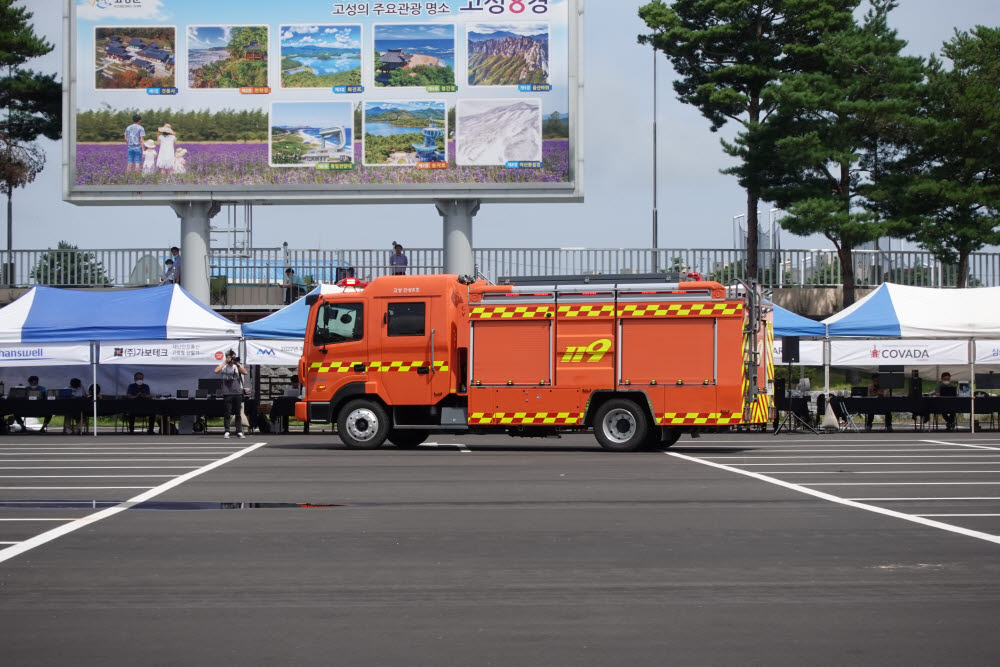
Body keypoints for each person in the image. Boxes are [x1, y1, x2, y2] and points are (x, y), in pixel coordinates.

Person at [214, 349, 248, 439]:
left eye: (233, 357)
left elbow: (245, 372)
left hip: (237, 392)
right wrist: (225, 361)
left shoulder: (237, 366)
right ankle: (227, 431)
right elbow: (216, 371)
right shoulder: (224, 366)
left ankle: (239, 431)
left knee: (238, 413)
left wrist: (237, 363)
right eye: (230, 357)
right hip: (227, 392)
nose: (232, 359)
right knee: (227, 413)